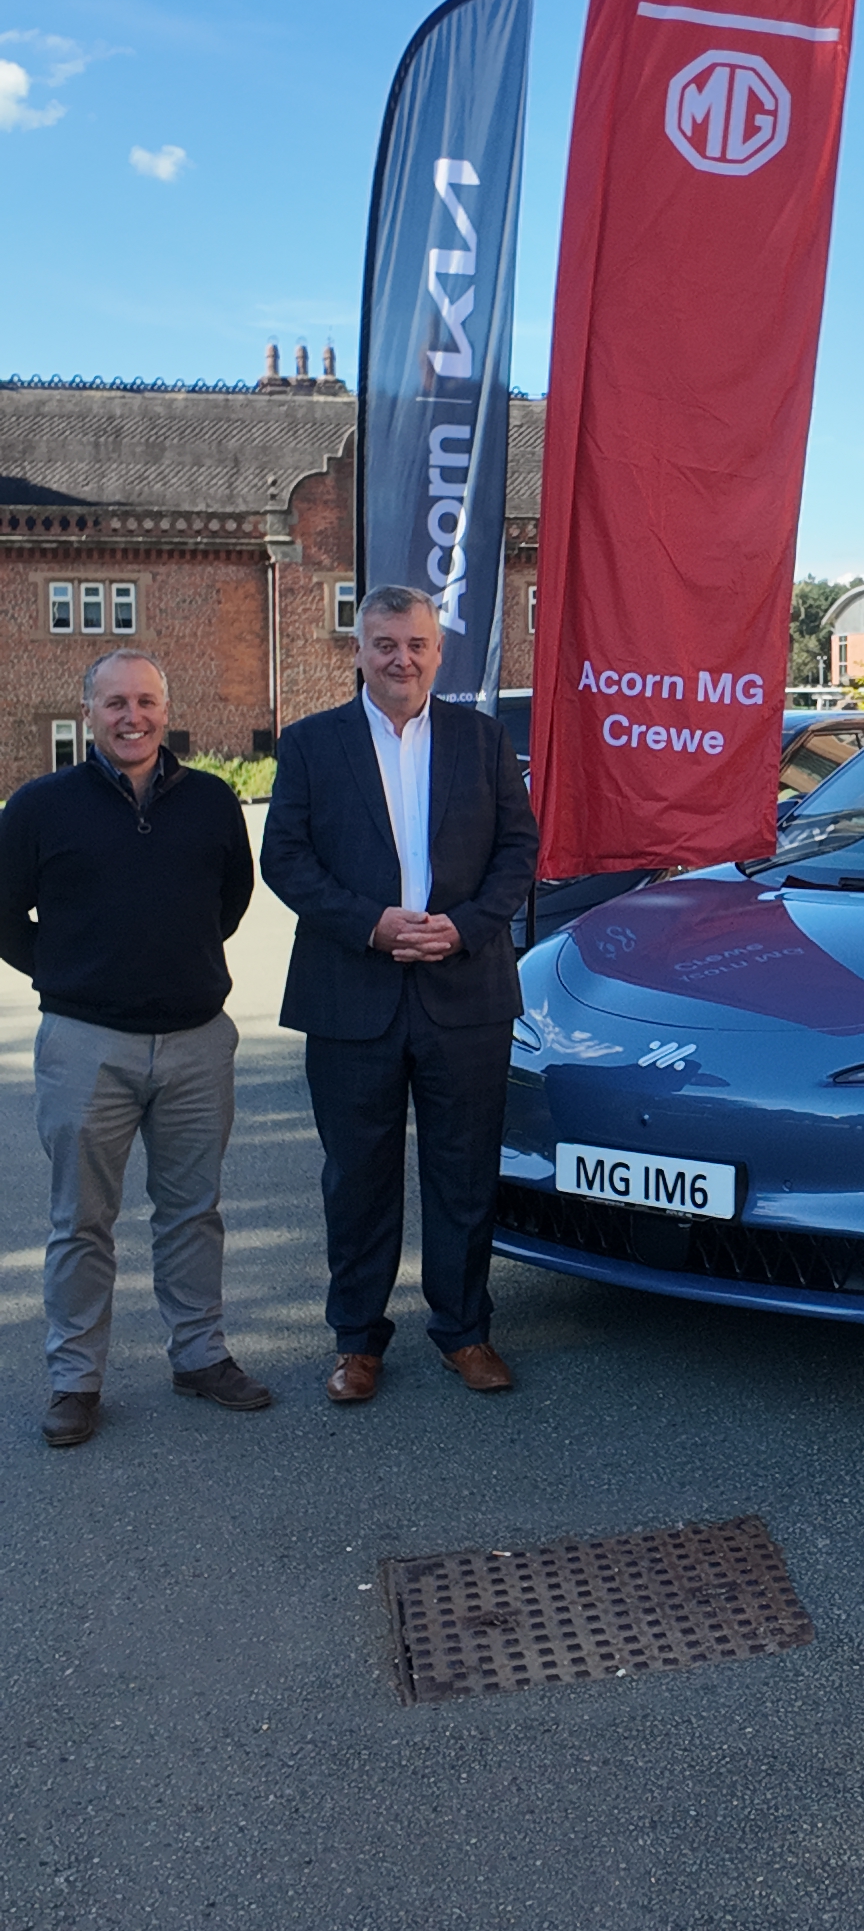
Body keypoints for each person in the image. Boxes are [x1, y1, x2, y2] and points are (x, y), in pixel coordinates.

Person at [261, 584, 538, 1405]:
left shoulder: (483, 741)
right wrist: (371, 925)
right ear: (358, 651)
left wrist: (465, 926)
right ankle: (357, 1341)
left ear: (438, 653)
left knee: (465, 1173)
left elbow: (519, 850)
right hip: (351, 991)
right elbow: (286, 859)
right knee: (357, 1178)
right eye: (384, 644)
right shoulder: (311, 744)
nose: (401, 659)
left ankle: (464, 1331)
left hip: (467, 989)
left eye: (416, 644)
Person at [0, 651, 268, 1446]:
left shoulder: (212, 801)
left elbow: (231, 899)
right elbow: (4, 915)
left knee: (193, 1213)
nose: (132, 717)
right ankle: (75, 1379)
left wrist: (173, 966)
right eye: (115, 702)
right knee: (81, 1221)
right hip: (86, 1045)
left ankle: (200, 1356)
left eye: (146, 701)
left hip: (196, 1042)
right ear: (87, 711)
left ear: (165, 710)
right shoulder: (40, 805)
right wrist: (73, 974)